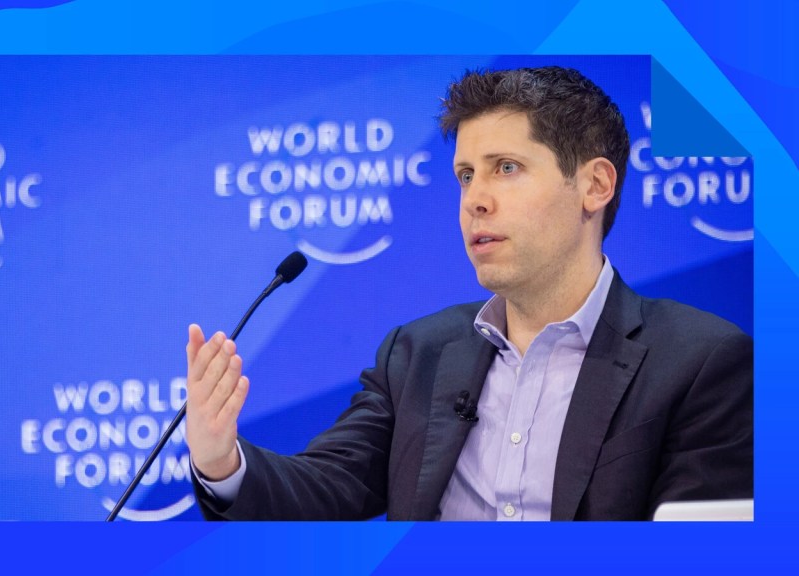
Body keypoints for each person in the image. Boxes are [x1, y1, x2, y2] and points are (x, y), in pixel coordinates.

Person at [183, 66, 754, 521]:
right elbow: (326, 486)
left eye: (506, 167)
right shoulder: (417, 355)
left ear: (595, 185)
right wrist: (221, 460)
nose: (475, 199)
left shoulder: (699, 361)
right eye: (465, 175)